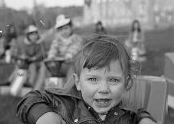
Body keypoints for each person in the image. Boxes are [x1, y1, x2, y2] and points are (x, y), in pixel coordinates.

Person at [16, 34, 157, 124]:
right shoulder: (67, 104)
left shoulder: (127, 114)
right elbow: (31, 98)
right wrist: (44, 115)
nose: (103, 89)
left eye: (113, 80)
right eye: (93, 79)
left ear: (127, 84)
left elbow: (137, 113)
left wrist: (145, 119)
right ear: (78, 82)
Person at [34, 14, 83, 90]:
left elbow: (75, 48)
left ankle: (68, 91)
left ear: (71, 28)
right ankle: (38, 90)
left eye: (66, 28)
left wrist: (68, 56)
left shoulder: (76, 39)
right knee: (45, 66)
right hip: (58, 64)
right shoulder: (57, 39)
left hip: (70, 63)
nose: (64, 31)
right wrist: (51, 56)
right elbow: (53, 48)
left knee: (72, 69)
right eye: (61, 30)